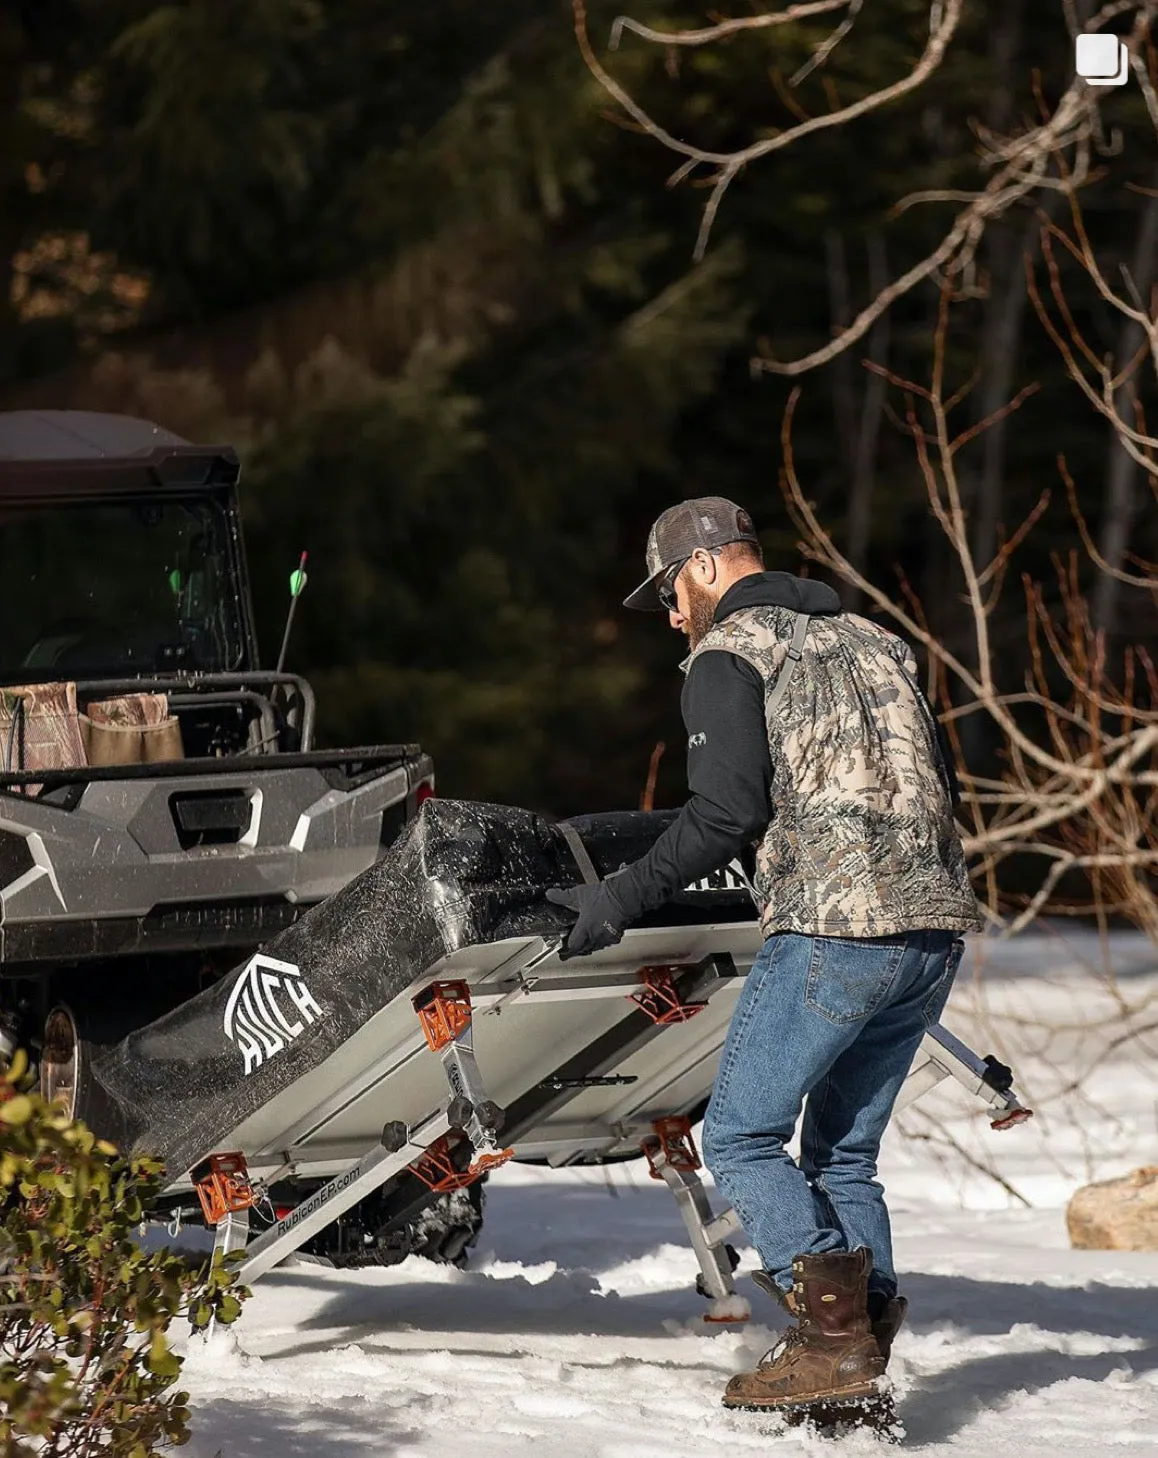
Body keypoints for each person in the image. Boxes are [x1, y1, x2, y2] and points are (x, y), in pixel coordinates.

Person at [547, 496, 982, 1415]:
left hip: (835, 927)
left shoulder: (728, 653)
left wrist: (614, 901)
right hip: (934, 933)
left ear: (703, 567)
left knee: (741, 1137)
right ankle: (854, 1376)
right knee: (844, 1158)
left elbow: (723, 815)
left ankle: (831, 1342)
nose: (670, 615)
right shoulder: (876, 640)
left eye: (669, 591)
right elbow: (936, 786)